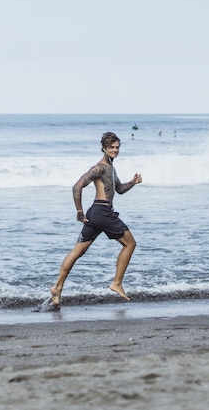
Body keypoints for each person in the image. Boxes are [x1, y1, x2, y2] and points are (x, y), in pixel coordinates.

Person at [50, 132, 142, 308]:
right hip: (103, 212)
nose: (115, 150)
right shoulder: (99, 168)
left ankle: (57, 287)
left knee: (78, 252)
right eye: (111, 147)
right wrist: (79, 211)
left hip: (95, 214)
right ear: (104, 148)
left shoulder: (111, 168)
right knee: (130, 244)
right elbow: (77, 186)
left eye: (117, 147)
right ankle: (116, 283)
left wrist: (133, 182)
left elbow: (120, 189)